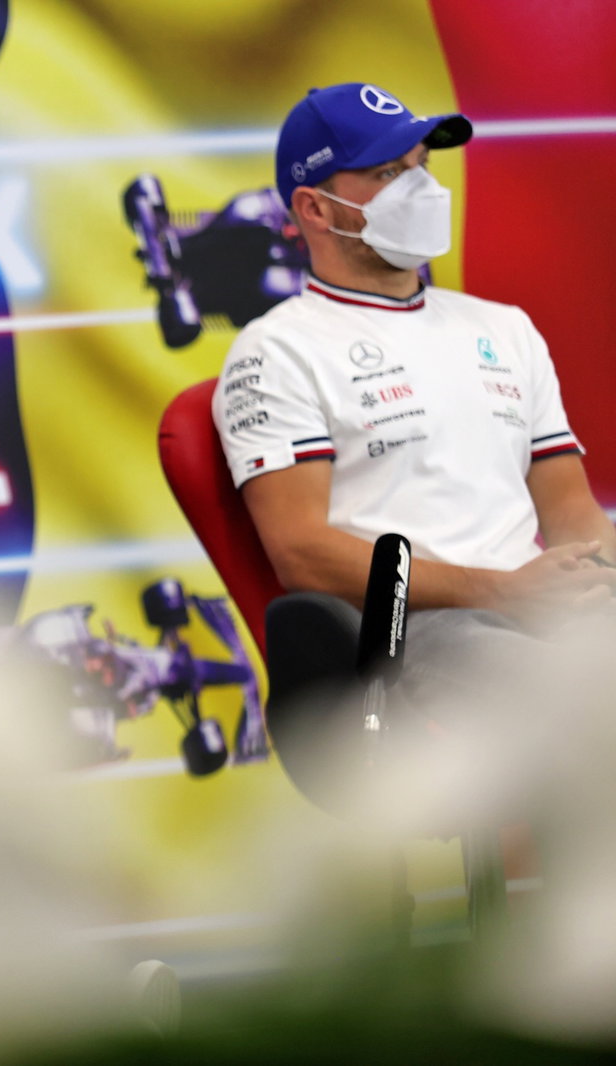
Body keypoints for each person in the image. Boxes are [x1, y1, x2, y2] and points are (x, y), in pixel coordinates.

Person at [215, 82, 616, 705]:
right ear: (314, 209)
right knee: (591, 709)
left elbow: (572, 516)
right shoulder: (276, 352)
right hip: (413, 630)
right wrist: (500, 590)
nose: (422, 189)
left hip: (544, 608)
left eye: (420, 166)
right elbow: (303, 553)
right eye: (386, 172)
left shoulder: (504, 327)